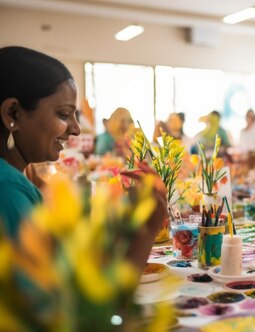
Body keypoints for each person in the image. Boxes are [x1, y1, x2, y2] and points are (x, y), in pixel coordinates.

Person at [0, 46, 165, 271]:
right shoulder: (8, 192)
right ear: (13, 114)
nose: (77, 129)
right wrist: (148, 226)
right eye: (64, 114)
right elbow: (69, 304)